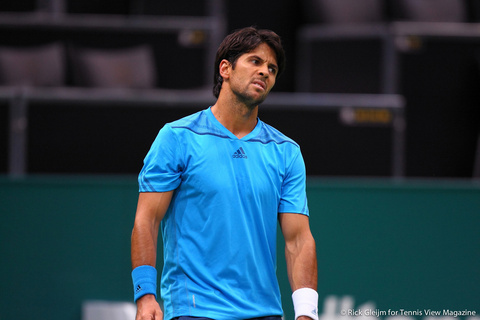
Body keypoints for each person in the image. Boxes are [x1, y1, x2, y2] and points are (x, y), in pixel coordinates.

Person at [131, 26, 318, 320]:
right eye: (255, 61)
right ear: (225, 69)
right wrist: (145, 295)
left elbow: (298, 240)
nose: (265, 72)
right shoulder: (176, 138)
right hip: (194, 310)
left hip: (264, 312)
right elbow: (147, 220)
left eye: (272, 68)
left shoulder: (286, 152)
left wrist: (307, 313)